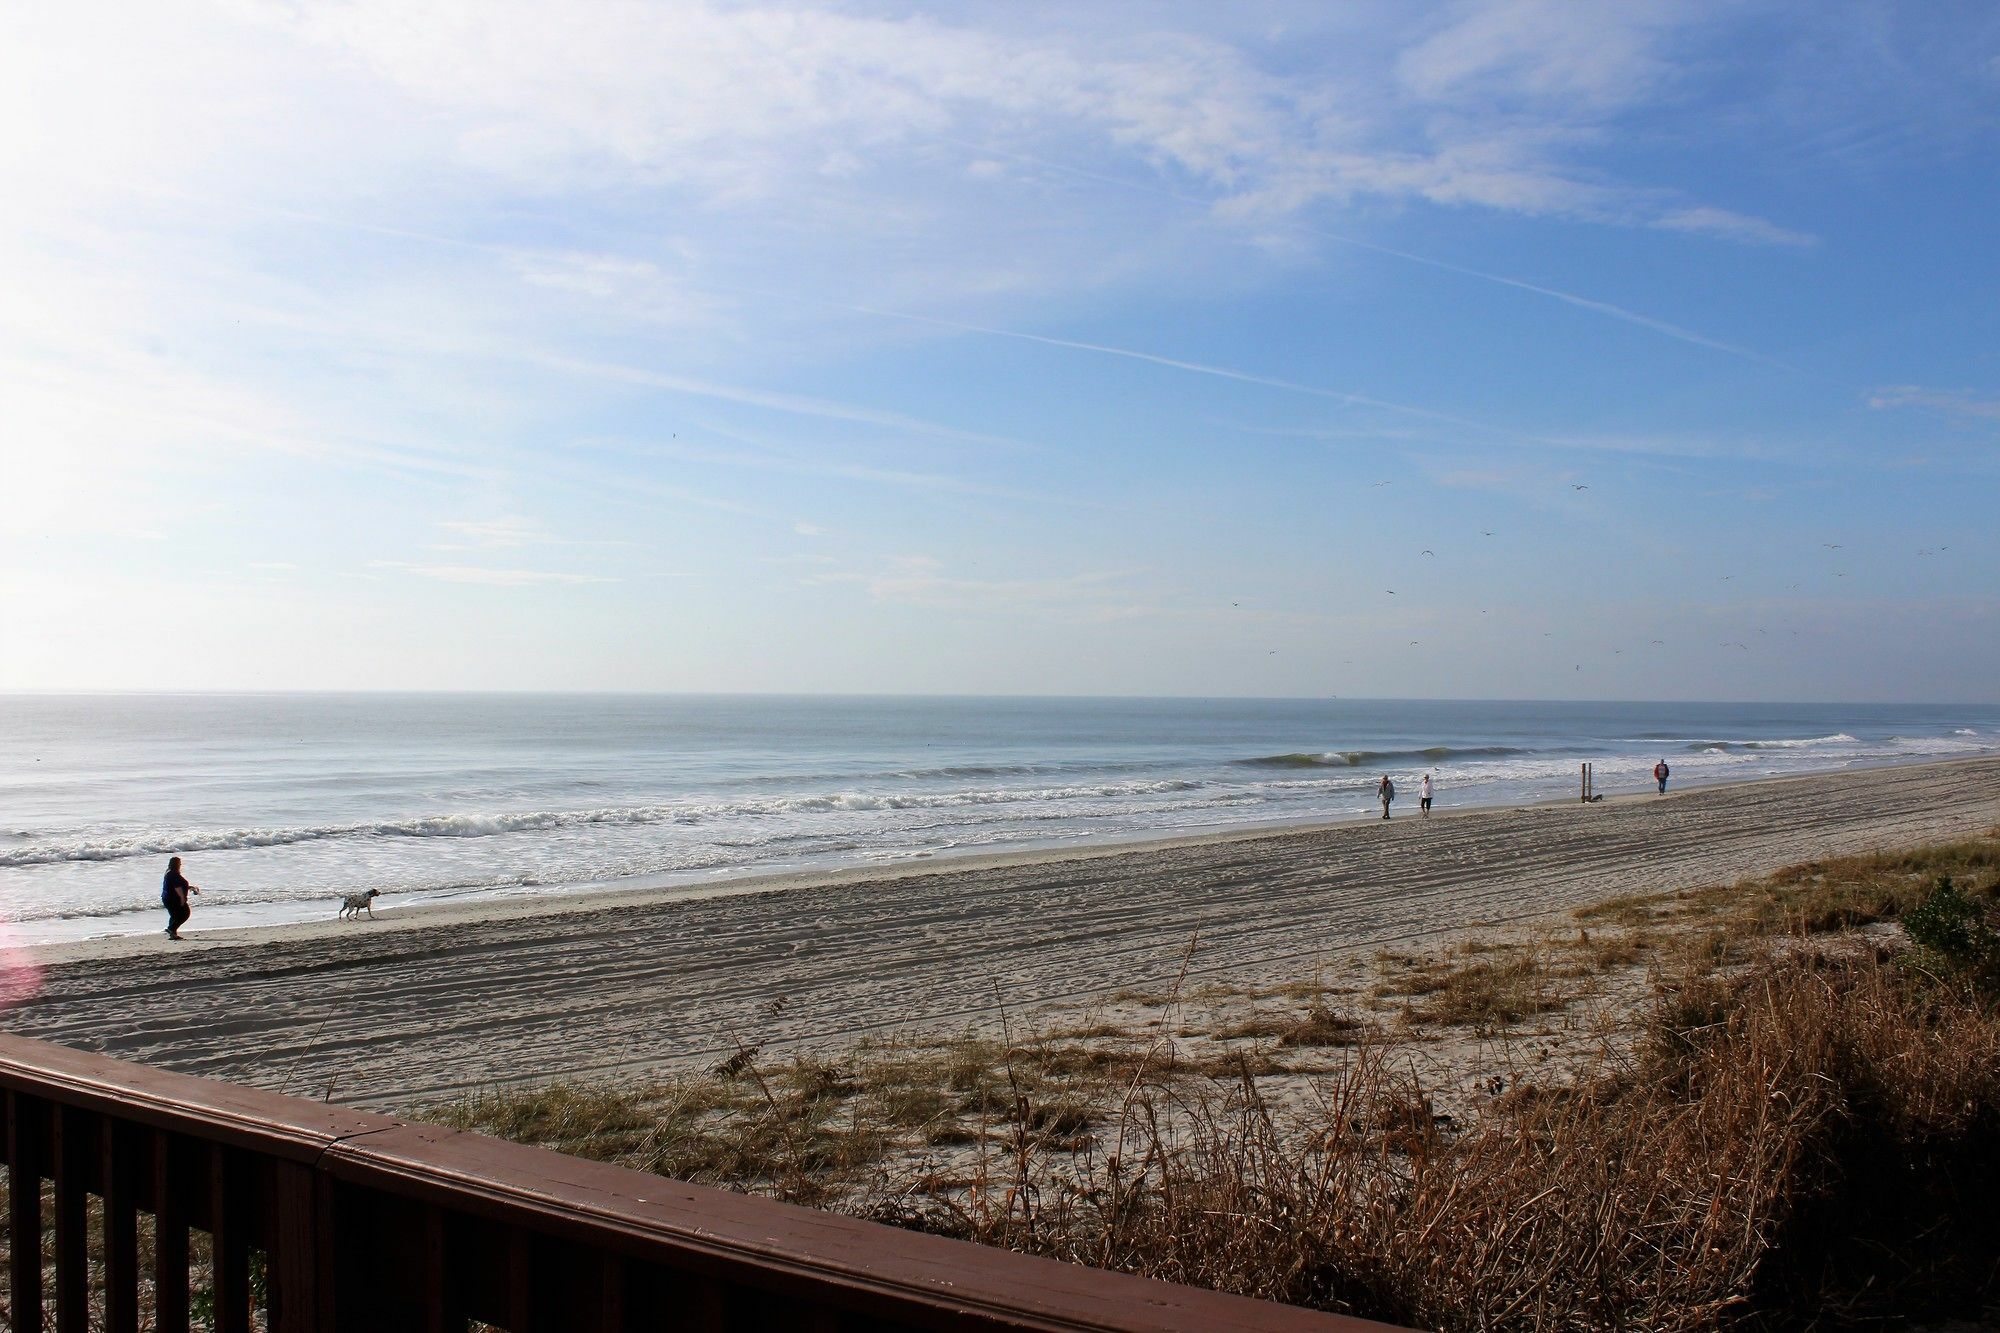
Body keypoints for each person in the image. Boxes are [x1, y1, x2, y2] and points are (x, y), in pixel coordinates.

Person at [162, 856, 200, 940]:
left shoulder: (169, 872)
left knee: (174, 916)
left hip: (167, 898)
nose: (181, 865)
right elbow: (177, 887)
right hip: (174, 899)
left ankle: (173, 934)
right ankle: (171, 929)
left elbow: (177, 885)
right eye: (180, 863)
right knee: (185, 913)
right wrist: (182, 898)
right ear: (177, 864)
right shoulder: (174, 874)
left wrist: (190, 887)